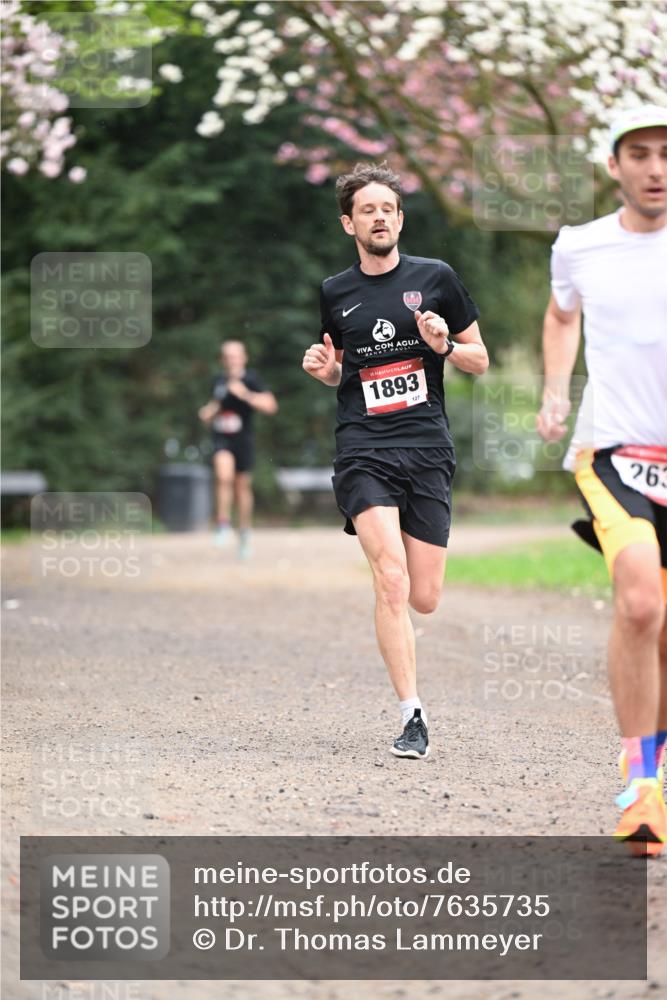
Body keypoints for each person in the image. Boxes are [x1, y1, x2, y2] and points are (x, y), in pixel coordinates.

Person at [303, 162, 488, 759]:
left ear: (400, 219)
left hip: (427, 445)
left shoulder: (437, 279)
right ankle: (412, 714)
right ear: (347, 223)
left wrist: (447, 345)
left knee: (424, 596)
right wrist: (330, 372)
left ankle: (410, 653)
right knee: (390, 579)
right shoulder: (335, 293)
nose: (378, 217)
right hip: (363, 447)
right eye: (367, 210)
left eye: (387, 208)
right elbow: (343, 371)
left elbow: (480, 360)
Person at [537, 104, 667, 854]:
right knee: (640, 601)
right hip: (612, 449)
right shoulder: (579, 246)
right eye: (639, 153)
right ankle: (637, 784)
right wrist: (556, 388)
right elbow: (561, 317)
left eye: (666, 154)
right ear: (613, 166)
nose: (655, 168)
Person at [199, 340, 278, 559]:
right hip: (221, 438)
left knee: (242, 486)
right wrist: (208, 412)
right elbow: (212, 408)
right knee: (223, 476)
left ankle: (244, 532)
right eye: (228, 356)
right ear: (222, 360)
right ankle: (223, 525)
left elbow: (271, 405)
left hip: (243, 440)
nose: (232, 360)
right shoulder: (218, 381)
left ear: (244, 358)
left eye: (236, 355)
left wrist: (245, 394)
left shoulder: (252, 379)